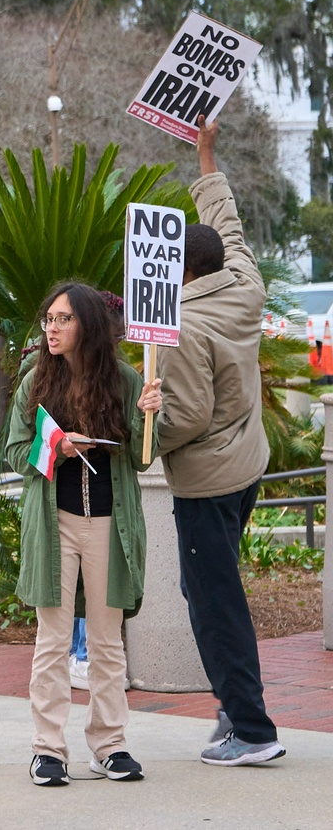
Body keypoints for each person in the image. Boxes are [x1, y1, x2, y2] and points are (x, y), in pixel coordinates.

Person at [156, 116, 286, 767]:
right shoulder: (245, 284)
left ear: (183, 268)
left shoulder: (183, 326)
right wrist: (204, 156)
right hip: (248, 466)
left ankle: (252, 728)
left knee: (214, 602)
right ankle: (237, 707)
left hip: (206, 479)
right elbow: (226, 222)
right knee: (209, 585)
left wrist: (143, 432)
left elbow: (187, 417)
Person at [5, 282, 163, 787]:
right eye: (49, 319)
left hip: (109, 526)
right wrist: (55, 450)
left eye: (63, 320)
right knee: (52, 641)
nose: (51, 328)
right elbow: (14, 453)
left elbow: (145, 455)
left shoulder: (125, 378)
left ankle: (110, 745)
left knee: (107, 641)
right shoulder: (35, 380)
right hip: (55, 526)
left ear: (87, 326)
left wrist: (150, 414)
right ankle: (48, 749)